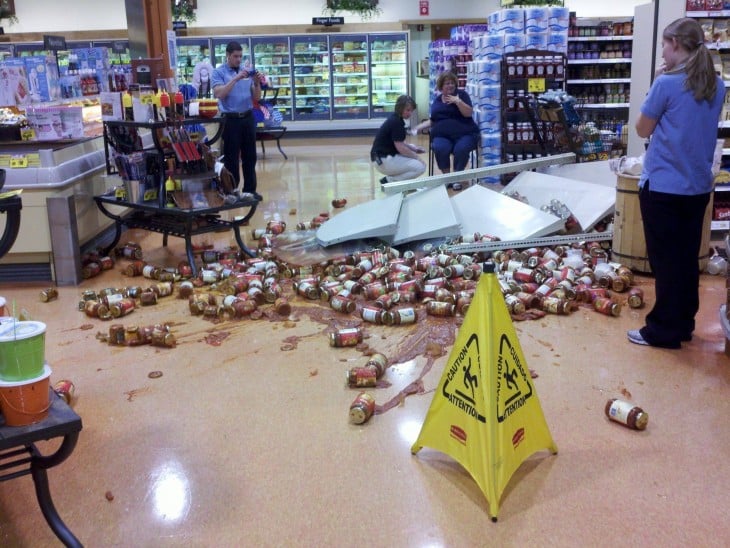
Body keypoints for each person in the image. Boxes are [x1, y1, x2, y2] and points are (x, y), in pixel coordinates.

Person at [628, 17, 725, 349]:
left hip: (664, 187)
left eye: (664, 46)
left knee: (665, 263)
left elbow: (642, 129)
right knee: (685, 260)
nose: (663, 53)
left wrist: (656, 81)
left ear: (677, 45)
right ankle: (683, 323)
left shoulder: (666, 84)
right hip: (697, 187)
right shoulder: (717, 84)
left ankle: (662, 331)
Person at [211, 41, 264, 200]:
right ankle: (232, 192)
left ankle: (250, 191)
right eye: (235, 56)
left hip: (247, 117)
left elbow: (257, 97)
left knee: (250, 156)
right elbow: (220, 94)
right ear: (228, 55)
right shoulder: (218, 72)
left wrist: (256, 82)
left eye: (240, 56)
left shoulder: (246, 71)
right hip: (230, 120)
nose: (238, 60)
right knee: (231, 157)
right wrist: (235, 79)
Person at [413, 71, 479, 184]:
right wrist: (418, 127)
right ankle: (447, 178)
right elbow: (433, 120)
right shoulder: (437, 100)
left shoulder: (462, 95)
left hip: (465, 134)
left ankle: (456, 177)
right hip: (442, 135)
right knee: (440, 148)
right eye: (447, 83)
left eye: (452, 83)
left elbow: (468, 113)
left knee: (461, 149)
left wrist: (458, 102)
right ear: (441, 87)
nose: (450, 85)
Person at [371, 94, 426, 186]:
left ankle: (393, 182)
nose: (410, 113)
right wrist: (417, 157)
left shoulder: (395, 118)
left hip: (380, 158)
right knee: (420, 167)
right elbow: (400, 147)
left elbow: (399, 142)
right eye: (408, 110)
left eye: (411, 111)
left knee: (413, 162)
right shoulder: (396, 122)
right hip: (384, 160)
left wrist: (414, 149)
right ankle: (390, 181)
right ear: (400, 108)